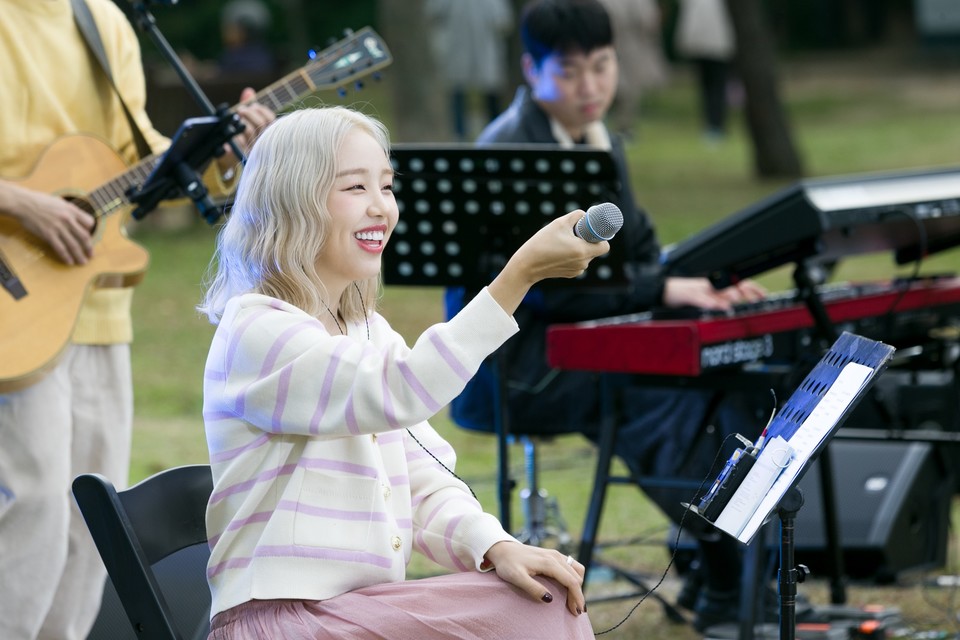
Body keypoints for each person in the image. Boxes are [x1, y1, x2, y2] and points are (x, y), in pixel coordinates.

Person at [197, 105, 604, 639]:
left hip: (360, 609)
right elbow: (394, 390)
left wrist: (495, 545)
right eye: (354, 188)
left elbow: (421, 477)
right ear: (294, 203)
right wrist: (516, 278)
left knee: (544, 607)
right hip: (282, 622)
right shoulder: (256, 331)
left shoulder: (366, 331)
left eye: (386, 187)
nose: (380, 208)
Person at [443, 0, 768, 632]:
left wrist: (709, 280)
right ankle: (729, 571)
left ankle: (718, 566)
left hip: (577, 341)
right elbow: (556, 292)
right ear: (529, 70)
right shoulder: (513, 150)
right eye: (568, 72)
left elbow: (639, 251)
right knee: (653, 394)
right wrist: (665, 289)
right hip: (520, 364)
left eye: (601, 66)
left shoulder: (597, 140)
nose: (590, 86)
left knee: (721, 369)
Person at [0, 1, 274, 638]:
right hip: (14, 309)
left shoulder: (100, 18)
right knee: (31, 505)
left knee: (85, 523)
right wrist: (21, 204)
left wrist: (221, 150)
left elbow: (144, 158)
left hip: (95, 303)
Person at [425, 0, 513, 140]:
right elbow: (434, 14)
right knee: (457, 93)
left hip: (483, 49)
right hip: (456, 47)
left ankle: (495, 136)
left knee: (490, 94)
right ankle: (459, 137)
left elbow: (502, 21)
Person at [599, 0, 669, 137]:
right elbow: (648, 21)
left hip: (606, 44)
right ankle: (624, 127)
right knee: (629, 91)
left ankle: (603, 124)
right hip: (631, 46)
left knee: (606, 86)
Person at [674, 0, 737, 141]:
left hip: (706, 45)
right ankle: (714, 125)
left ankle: (714, 125)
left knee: (711, 87)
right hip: (717, 46)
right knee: (714, 87)